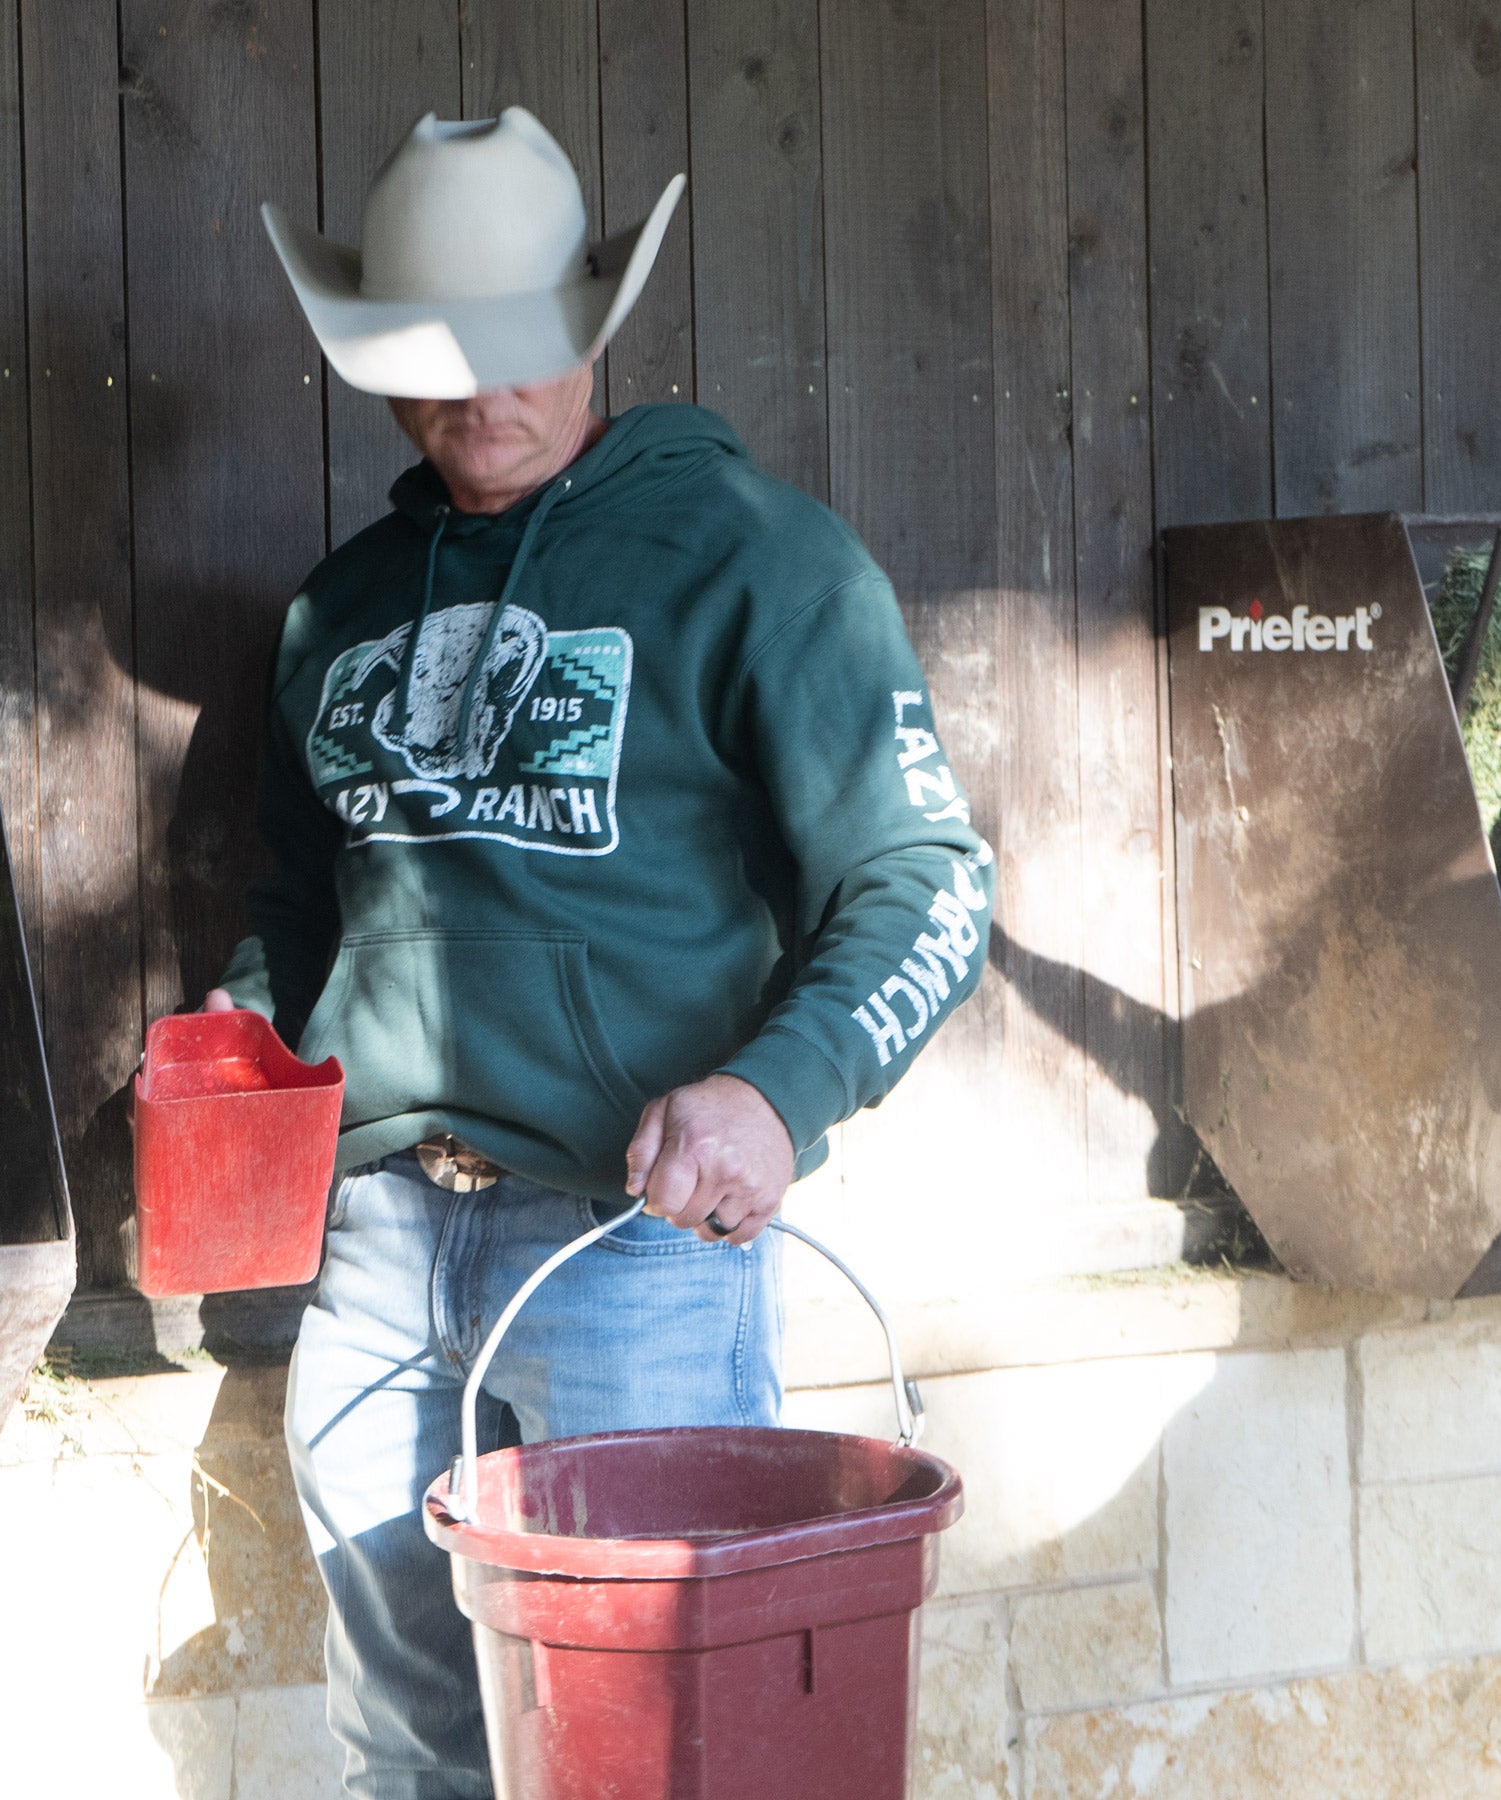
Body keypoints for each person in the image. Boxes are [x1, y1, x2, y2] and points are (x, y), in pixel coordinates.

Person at [213, 107, 991, 1798]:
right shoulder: (334, 613)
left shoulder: (756, 559)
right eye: (430, 353)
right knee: (405, 1745)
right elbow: (296, 910)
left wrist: (775, 1098)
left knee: (662, 1761)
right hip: (372, 1254)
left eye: (516, 349)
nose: (478, 392)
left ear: (591, 328)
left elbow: (930, 884)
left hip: (631, 1253)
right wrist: (230, 1048)